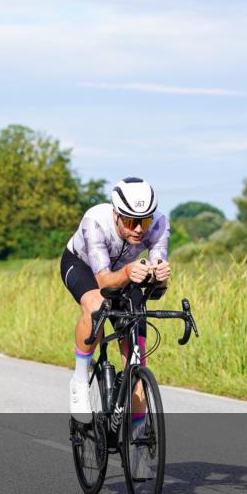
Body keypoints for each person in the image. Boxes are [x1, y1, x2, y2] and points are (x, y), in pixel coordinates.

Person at [61, 177, 171, 427]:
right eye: (131, 221)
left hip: (125, 271)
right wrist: (128, 272)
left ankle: (138, 437)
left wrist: (161, 279)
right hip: (84, 267)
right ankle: (79, 379)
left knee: (136, 355)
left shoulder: (160, 225)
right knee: (96, 305)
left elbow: (155, 289)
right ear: (116, 214)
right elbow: (103, 282)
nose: (139, 229)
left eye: (145, 221)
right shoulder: (95, 221)